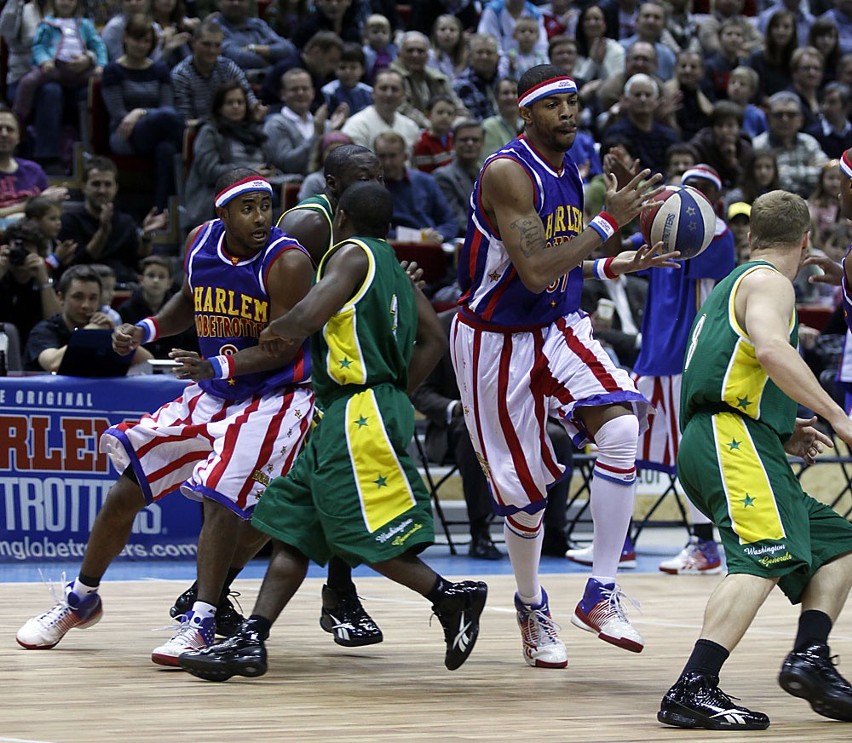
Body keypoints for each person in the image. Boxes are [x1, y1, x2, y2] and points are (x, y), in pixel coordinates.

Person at [177, 181, 488, 682]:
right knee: (291, 527)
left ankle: (452, 597)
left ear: (338, 217)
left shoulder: (347, 255)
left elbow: (301, 318)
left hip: (355, 409)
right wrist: (396, 390)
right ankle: (251, 640)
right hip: (349, 406)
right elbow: (434, 336)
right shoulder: (395, 266)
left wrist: (272, 331)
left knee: (354, 533)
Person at [16, 169, 315, 666]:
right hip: (216, 389)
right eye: (248, 208)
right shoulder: (201, 242)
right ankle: (81, 598)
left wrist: (214, 363)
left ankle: (200, 623)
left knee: (220, 496)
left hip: (274, 396)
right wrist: (145, 328)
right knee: (127, 489)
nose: (261, 216)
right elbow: (189, 303)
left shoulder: (287, 261)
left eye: (266, 205)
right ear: (222, 214)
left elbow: (285, 347)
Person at [451, 64, 666, 669]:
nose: (567, 113)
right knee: (526, 499)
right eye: (552, 105)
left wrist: (608, 266)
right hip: (494, 340)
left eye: (572, 102)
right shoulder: (508, 172)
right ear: (526, 113)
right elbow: (536, 269)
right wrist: (607, 224)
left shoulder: (571, 163)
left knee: (622, 430)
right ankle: (531, 605)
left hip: (559, 326)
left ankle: (600, 591)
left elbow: (559, 265)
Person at [657, 189, 852, 730]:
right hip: (728, 436)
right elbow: (769, 349)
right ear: (806, 240)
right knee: (761, 556)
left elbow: (734, 367)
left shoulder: (732, 284)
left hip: (733, 435)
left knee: (836, 544)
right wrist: (838, 416)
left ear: (750, 235)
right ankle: (693, 687)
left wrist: (783, 429)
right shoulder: (770, 282)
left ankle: (810, 658)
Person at [101, 13, 185, 212]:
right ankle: (188, 134)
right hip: (125, 135)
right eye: (137, 39)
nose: (141, 45)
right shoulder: (113, 71)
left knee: (166, 149)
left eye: (146, 41)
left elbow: (166, 107)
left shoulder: (160, 70)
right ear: (126, 38)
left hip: (156, 132)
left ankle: (162, 211)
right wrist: (140, 115)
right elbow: (120, 115)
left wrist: (139, 112)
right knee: (170, 119)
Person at [22, 263, 151, 372]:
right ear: (61, 297)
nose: (86, 305)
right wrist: (88, 334)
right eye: (78, 297)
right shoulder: (44, 330)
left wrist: (115, 335)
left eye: (93, 298)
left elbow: (147, 361)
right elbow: (53, 364)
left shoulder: (101, 329)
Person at [184, 81, 279, 229]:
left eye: (240, 102)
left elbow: (269, 162)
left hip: (258, 187)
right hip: (217, 194)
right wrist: (248, 173)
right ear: (219, 107)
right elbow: (209, 172)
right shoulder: (210, 132)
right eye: (230, 102)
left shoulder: (254, 132)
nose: (236, 106)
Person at [59, 156, 167, 284]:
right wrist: (103, 231)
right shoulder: (69, 221)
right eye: (96, 184)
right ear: (83, 186)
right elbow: (80, 263)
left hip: (123, 283)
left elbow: (140, 261)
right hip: (85, 283)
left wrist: (147, 235)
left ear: (116, 188)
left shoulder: (125, 221)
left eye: (108, 184)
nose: (102, 190)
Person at [170, 19, 265, 130]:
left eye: (217, 45)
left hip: (234, 127)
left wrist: (255, 109)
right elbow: (184, 122)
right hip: (200, 132)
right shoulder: (181, 75)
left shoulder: (228, 67)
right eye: (206, 44)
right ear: (193, 44)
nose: (212, 50)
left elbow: (248, 98)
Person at [374, 131, 458, 248]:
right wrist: (418, 238)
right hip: (395, 250)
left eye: (393, 156)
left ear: (405, 156)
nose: (387, 162)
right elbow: (375, 231)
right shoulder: (373, 190)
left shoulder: (426, 181)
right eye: (382, 156)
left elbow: (450, 222)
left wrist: (438, 236)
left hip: (432, 247)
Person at [117, 254, 198, 359]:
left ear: (169, 282)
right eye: (151, 275)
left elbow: (188, 344)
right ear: (141, 280)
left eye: (161, 277)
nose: (156, 280)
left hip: (173, 364)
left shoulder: (181, 309)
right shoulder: (126, 308)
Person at [0, 219, 62, 349]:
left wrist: (44, 280)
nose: (20, 255)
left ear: (39, 254)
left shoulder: (46, 281)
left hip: (37, 346)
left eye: (26, 251)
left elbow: (56, 324)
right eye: (16, 250)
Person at [434, 120, 484, 238]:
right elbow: (457, 221)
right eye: (464, 139)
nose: (470, 143)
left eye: (475, 140)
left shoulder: (488, 173)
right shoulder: (443, 177)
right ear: (453, 143)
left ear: (482, 144)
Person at [411, 94, 456, 174]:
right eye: (440, 112)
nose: (445, 116)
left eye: (449, 114)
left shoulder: (453, 138)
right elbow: (425, 175)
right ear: (428, 115)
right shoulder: (422, 143)